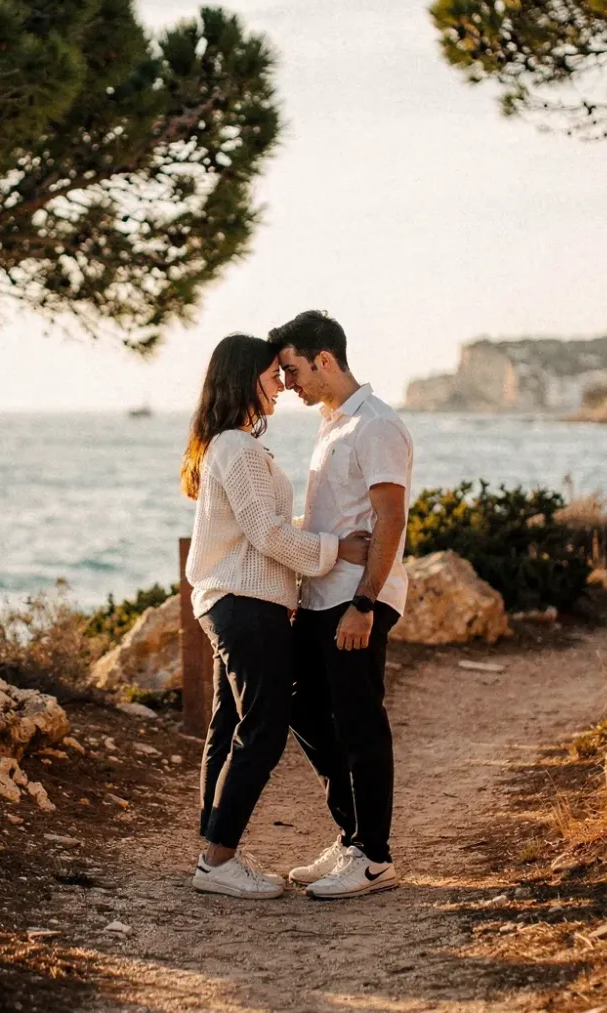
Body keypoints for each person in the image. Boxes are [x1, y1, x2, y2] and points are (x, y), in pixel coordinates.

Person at [180, 333, 371, 899]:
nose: (281, 388)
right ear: (245, 381)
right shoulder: (237, 447)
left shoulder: (227, 445)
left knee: (228, 727)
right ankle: (218, 861)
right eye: (271, 378)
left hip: (233, 602)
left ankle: (216, 848)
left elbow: (258, 525)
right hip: (245, 605)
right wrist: (337, 551)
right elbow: (266, 534)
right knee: (261, 731)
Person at [268, 311, 414, 900]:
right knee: (300, 707)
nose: (288, 382)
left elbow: (391, 517)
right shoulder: (332, 423)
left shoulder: (375, 425)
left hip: (357, 599)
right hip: (320, 597)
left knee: (359, 722)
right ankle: (352, 835)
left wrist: (364, 604)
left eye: (293, 369)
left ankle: (374, 857)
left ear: (324, 360)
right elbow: (333, 519)